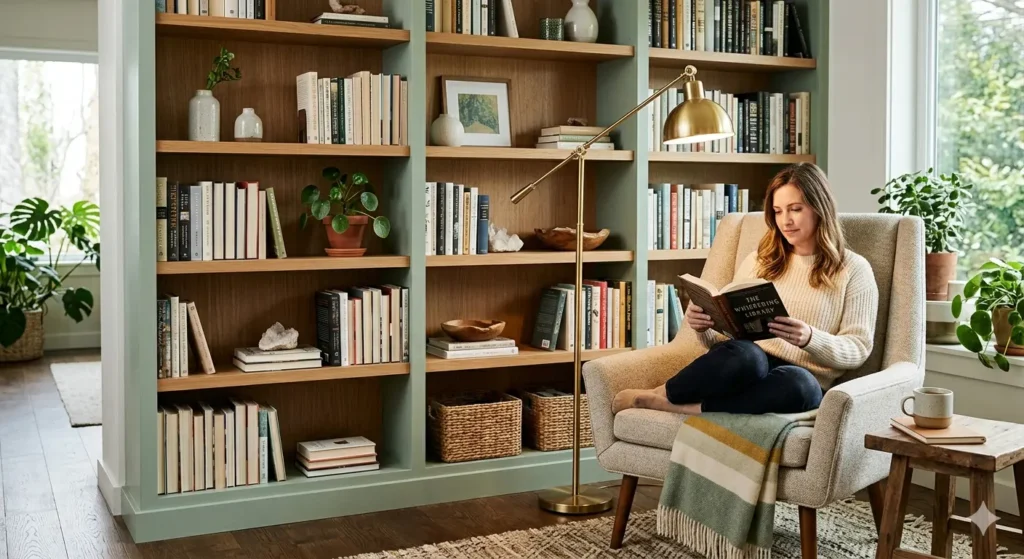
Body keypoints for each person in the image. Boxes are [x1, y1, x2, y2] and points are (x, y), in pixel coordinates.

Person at [613, 162, 879, 416]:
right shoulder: (760, 260)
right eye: (777, 211)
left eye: (795, 209)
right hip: (746, 363)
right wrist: (703, 327)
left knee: (801, 385)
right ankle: (665, 392)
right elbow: (726, 338)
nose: (785, 220)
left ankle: (683, 408)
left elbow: (858, 347)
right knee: (748, 357)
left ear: (819, 208)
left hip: (797, 378)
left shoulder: (854, 269)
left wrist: (809, 337)